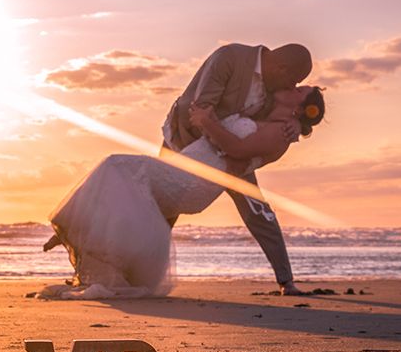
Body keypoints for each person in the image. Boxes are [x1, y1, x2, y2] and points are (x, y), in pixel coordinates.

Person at [41, 85, 325, 299]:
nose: (294, 86)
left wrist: (205, 122)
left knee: (117, 166)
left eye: (301, 90)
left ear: (299, 109)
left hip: (192, 182)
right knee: (122, 183)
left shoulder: (279, 135)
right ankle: (75, 231)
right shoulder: (263, 111)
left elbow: (236, 150)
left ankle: (69, 227)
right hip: (187, 170)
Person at [163, 43, 313, 295]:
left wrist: (297, 126)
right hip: (184, 140)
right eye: (293, 80)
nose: (292, 87)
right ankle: (129, 271)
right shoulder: (229, 58)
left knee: (257, 209)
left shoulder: (274, 87)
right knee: (163, 208)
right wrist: (228, 152)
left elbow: (293, 110)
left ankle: (286, 281)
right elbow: (199, 110)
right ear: (281, 67)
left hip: (235, 153)